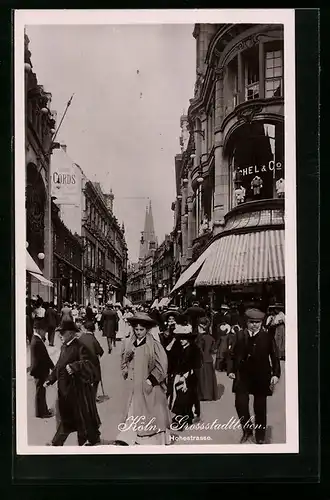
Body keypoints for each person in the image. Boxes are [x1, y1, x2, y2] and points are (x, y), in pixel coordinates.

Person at [227, 308, 281, 444]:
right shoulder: (239, 335)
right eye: (252, 322)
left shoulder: (267, 336)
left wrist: (275, 374)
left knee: (260, 407)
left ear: (262, 323)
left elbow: (275, 356)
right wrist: (230, 370)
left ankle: (261, 435)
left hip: (261, 376)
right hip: (242, 375)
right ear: (247, 322)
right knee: (240, 404)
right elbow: (231, 355)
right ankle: (247, 430)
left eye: (258, 322)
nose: (255, 325)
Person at [117, 312, 171, 445]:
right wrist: (126, 369)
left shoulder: (154, 345)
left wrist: (151, 381)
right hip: (134, 386)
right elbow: (125, 360)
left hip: (149, 387)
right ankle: (128, 436)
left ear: (146, 330)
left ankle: (151, 439)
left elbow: (162, 366)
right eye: (136, 329)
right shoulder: (131, 344)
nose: (139, 332)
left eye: (141, 330)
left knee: (151, 412)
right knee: (132, 410)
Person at [45, 320, 101, 446]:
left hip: (76, 389)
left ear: (70, 333)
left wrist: (75, 366)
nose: (60, 335)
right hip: (65, 388)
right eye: (60, 333)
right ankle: (92, 438)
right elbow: (59, 365)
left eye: (62, 333)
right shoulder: (64, 346)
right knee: (74, 417)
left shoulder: (80, 346)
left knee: (74, 416)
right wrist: (50, 379)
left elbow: (88, 363)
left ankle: (57, 443)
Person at [171, 324, 203, 429]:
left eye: (184, 338)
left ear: (189, 339)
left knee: (186, 398)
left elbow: (197, 364)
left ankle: (183, 419)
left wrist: (186, 376)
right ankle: (185, 417)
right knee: (180, 396)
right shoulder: (180, 348)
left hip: (190, 377)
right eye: (180, 338)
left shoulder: (195, 349)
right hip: (180, 375)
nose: (181, 340)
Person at [30, 326, 55, 418]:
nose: (45, 333)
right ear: (39, 330)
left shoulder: (35, 339)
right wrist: (53, 367)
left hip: (38, 369)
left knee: (40, 391)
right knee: (40, 391)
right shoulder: (37, 341)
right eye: (44, 330)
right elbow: (45, 357)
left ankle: (42, 410)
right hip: (40, 370)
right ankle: (42, 412)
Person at [77, 319, 104, 402]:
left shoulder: (81, 338)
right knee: (96, 379)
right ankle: (93, 396)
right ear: (93, 329)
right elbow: (100, 351)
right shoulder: (93, 339)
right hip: (92, 363)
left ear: (85, 328)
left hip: (81, 362)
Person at [160, 310, 182, 406]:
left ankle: (173, 397)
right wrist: (168, 329)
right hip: (167, 355)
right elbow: (164, 343)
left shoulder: (179, 330)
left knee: (174, 376)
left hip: (176, 355)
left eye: (173, 319)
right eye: (170, 320)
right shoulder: (165, 331)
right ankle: (166, 394)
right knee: (166, 375)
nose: (171, 321)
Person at [197, 317, 218, 401]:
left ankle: (203, 395)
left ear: (201, 326)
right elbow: (213, 350)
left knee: (202, 378)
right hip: (209, 359)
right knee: (209, 378)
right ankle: (209, 395)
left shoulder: (199, 338)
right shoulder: (211, 338)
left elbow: (199, 349)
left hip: (201, 359)